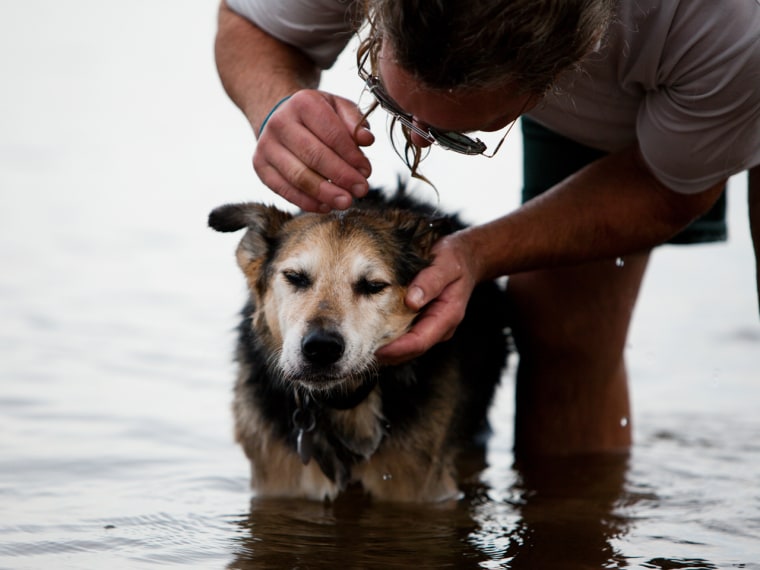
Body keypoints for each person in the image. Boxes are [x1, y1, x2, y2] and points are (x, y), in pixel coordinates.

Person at [214, 0, 760, 456]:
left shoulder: (724, 26)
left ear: (564, 72)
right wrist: (275, 104)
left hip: (721, 66)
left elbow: (671, 189)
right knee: (561, 333)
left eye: (456, 137)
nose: (415, 145)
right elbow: (252, 21)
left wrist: (479, 253)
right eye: (383, 95)